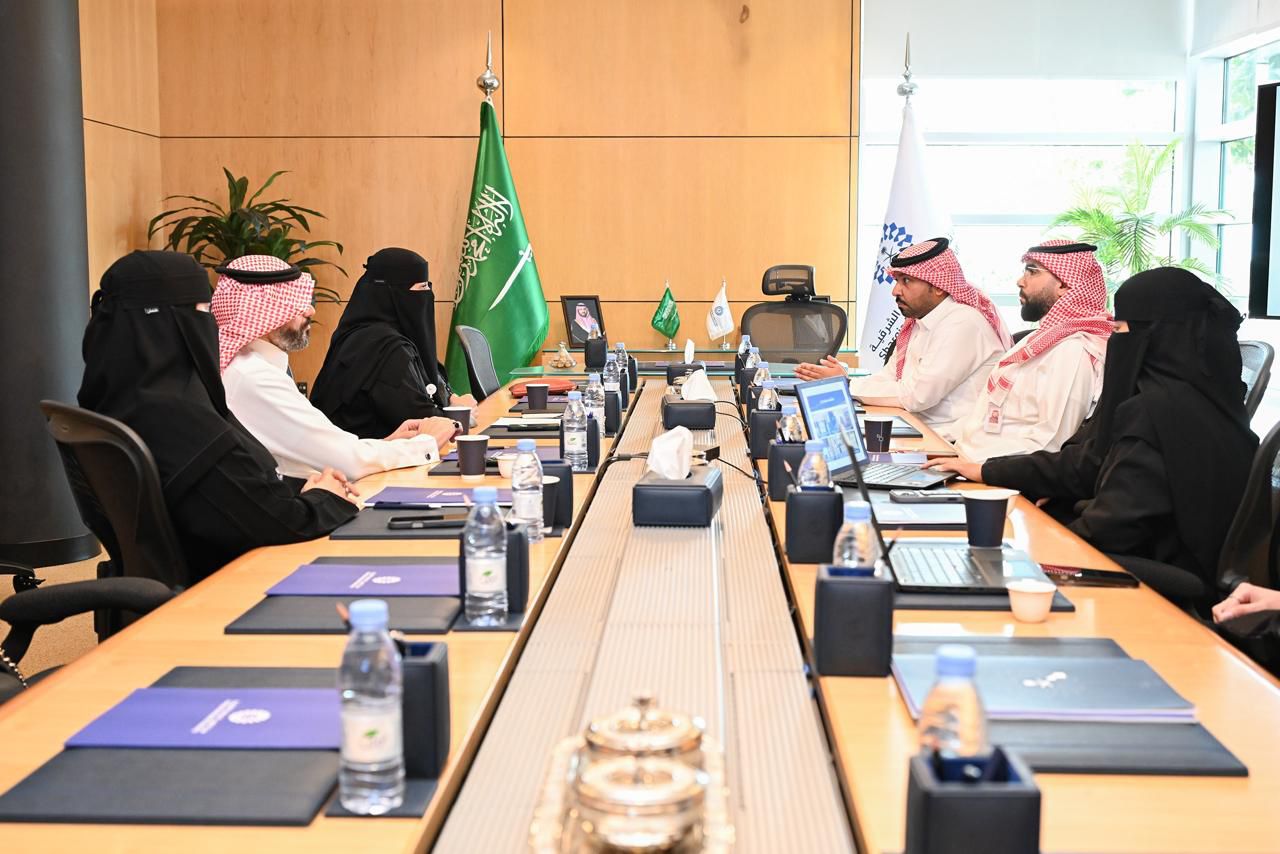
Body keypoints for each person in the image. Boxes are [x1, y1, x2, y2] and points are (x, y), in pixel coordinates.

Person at [928, 268, 1258, 594]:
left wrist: (1033, 544)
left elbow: (1113, 527)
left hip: (1148, 575)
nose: (1114, 340)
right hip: (1134, 552)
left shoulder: (1157, 414)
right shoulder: (1203, 399)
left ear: (1155, 336)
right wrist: (986, 471)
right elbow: (1086, 461)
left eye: (1120, 329)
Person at [78, 250, 359, 582]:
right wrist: (326, 497)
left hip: (188, 573)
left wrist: (299, 490)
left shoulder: (116, 399)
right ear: (169, 322)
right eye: (202, 311)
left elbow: (235, 494)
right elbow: (280, 524)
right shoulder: (180, 418)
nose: (211, 324)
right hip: (228, 584)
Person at [212, 254, 458, 479]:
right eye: (294, 303)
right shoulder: (254, 378)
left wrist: (387, 444)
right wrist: (425, 443)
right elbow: (348, 462)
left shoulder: (253, 367)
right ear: (263, 311)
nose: (310, 310)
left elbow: (321, 453)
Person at [800, 237, 1010, 441]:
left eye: (906, 281)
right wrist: (845, 381)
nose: (895, 291)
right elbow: (890, 377)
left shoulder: (962, 323)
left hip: (950, 441)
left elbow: (917, 396)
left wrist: (847, 384)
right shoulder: (919, 322)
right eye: (897, 280)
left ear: (938, 286)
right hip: (915, 427)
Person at [952, 240, 1112, 461]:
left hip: (994, 471)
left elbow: (1051, 444)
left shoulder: (1073, 350)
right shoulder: (1038, 339)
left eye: (1032, 271)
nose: (1020, 281)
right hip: (969, 457)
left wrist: (979, 470)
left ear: (1064, 284)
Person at [310, 247, 477, 439]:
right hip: (367, 455)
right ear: (394, 295)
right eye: (421, 287)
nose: (428, 294)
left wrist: (450, 399)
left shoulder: (362, 335)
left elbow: (427, 379)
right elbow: (424, 421)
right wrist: (461, 413)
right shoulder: (384, 349)